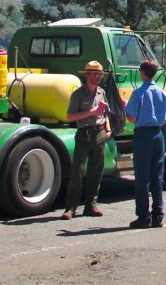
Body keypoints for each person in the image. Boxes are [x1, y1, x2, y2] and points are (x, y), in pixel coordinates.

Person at [61, 60, 112, 220]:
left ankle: (91, 205)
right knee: (77, 170)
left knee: (96, 170)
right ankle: (71, 208)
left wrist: (108, 129)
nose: (99, 77)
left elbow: (104, 113)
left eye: (100, 75)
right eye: (96, 74)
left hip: (99, 132)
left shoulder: (101, 92)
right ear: (88, 75)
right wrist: (91, 112)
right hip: (84, 133)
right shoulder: (78, 95)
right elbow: (70, 116)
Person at [124, 59, 166, 229]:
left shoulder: (138, 94)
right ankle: (158, 215)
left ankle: (144, 216)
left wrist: (126, 110)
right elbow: (165, 119)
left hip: (143, 135)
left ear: (142, 73)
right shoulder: (162, 93)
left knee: (142, 178)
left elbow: (132, 117)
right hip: (158, 134)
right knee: (157, 175)